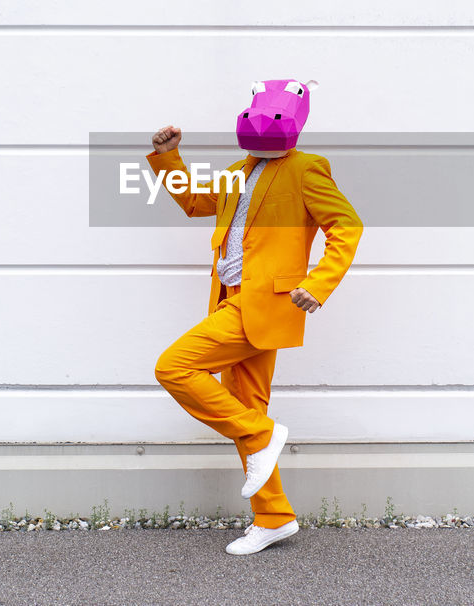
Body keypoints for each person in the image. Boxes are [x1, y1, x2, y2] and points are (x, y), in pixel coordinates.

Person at [149, 79, 362, 555]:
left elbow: (346, 226)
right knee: (247, 408)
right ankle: (274, 517)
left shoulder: (307, 169)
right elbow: (194, 202)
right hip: (231, 299)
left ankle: (265, 437)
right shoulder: (237, 170)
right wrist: (169, 158)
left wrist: (318, 283)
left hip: (261, 304)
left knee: (175, 367)